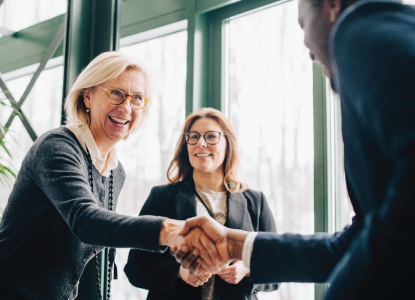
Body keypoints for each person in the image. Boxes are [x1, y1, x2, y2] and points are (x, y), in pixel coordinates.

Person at [173, 0, 415, 299]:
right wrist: (235, 244)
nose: (307, 47)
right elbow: (356, 241)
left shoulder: (359, 28)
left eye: (303, 25)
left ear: (332, 7)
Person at [0, 52, 220, 300]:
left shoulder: (117, 171)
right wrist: (173, 232)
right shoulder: (56, 147)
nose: (126, 107)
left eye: (137, 98)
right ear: (88, 96)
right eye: (116, 93)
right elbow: (86, 221)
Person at [124, 108, 278, 300]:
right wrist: (179, 272)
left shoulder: (256, 202)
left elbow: (277, 267)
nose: (201, 143)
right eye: (194, 137)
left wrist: (247, 270)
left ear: (227, 144)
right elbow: (135, 267)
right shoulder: (162, 197)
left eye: (211, 137)